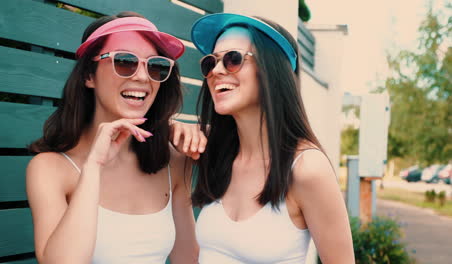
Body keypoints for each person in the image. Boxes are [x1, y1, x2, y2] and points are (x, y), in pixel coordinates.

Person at [26, 11, 203, 263]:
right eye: (124, 61)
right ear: (89, 76)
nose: (142, 77)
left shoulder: (173, 162)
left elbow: (188, 258)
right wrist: (94, 166)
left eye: (155, 66)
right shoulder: (49, 169)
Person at [190, 13, 355, 263]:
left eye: (233, 59)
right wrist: (170, 129)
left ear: (270, 70)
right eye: (210, 63)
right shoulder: (213, 154)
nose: (216, 71)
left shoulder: (306, 168)